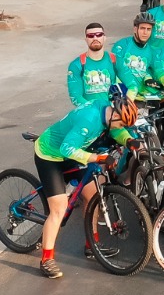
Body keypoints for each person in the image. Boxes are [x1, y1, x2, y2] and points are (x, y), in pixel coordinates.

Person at [31, 93, 136, 278]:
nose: (121, 127)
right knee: (59, 208)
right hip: (51, 155)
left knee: (92, 194)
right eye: (121, 124)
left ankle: (92, 244)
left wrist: (128, 139)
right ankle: (46, 260)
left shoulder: (108, 111)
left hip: (72, 153)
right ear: (114, 115)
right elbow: (66, 149)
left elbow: (116, 130)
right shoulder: (89, 119)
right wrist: (96, 158)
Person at [66, 22, 119, 107]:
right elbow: (76, 97)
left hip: (113, 112)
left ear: (104, 38)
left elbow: (129, 83)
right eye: (90, 36)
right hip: (89, 113)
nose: (95, 38)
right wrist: (95, 109)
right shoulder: (76, 65)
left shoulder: (115, 60)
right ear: (86, 39)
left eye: (99, 35)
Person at [111, 14, 159, 100]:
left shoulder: (152, 51)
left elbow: (152, 70)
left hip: (142, 94)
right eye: (142, 28)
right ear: (135, 29)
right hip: (122, 92)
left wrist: (149, 78)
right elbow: (116, 68)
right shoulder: (122, 45)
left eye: (149, 29)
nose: (145, 33)